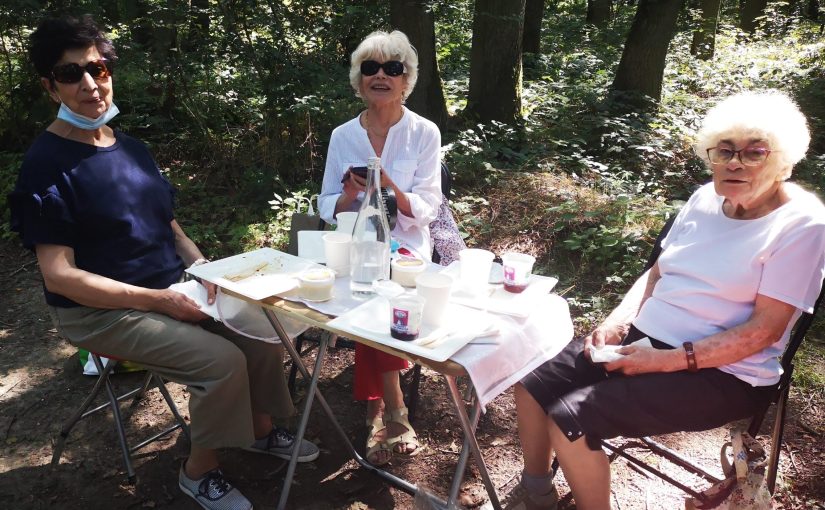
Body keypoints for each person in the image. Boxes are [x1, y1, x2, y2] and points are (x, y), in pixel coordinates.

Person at [8, 15, 318, 510]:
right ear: (51, 87)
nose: (90, 84)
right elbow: (59, 276)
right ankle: (198, 473)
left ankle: (260, 432)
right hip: (99, 311)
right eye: (71, 75)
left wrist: (206, 272)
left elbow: (170, 230)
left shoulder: (131, 148)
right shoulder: (47, 163)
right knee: (221, 361)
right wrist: (161, 301)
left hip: (173, 288)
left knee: (262, 332)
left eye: (98, 68)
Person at [504, 91, 825, 510]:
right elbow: (656, 271)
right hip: (644, 340)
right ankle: (537, 490)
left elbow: (764, 331)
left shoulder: (802, 225)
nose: (734, 162)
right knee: (533, 381)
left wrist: (658, 362)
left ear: (783, 160)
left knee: (572, 419)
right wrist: (620, 317)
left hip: (725, 375)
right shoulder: (704, 199)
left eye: (754, 153)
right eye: (725, 150)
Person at [318, 30, 442, 466]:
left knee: (381, 294)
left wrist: (391, 187)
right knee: (371, 289)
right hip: (355, 249)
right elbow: (326, 205)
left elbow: (427, 209)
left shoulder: (424, 133)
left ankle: (379, 409)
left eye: (393, 68)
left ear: (406, 79)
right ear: (359, 79)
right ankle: (393, 409)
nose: (381, 76)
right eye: (371, 68)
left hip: (407, 252)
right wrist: (350, 196)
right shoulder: (342, 135)